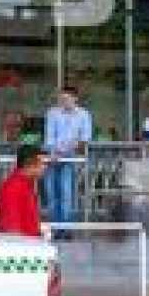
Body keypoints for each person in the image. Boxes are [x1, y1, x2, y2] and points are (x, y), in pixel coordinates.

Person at [43, 85, 92, 231]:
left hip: (70, 158)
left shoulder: (83, 115)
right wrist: (53, 152)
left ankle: (65, 228)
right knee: (51, 193)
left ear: (75, 99)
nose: (64, 101)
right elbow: (49, 137)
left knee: (66, 193)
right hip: (52, 156)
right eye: (61, 98)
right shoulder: (53, 113)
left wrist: (66, 150)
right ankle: (54, 226)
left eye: (67, 98)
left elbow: (84, 139)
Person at [0, 145, 45, 237]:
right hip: (21, 245)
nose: (44, 167)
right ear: (30, 164)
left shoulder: (27, 184)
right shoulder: (14, 187)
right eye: (42, 163)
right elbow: (11, 227)